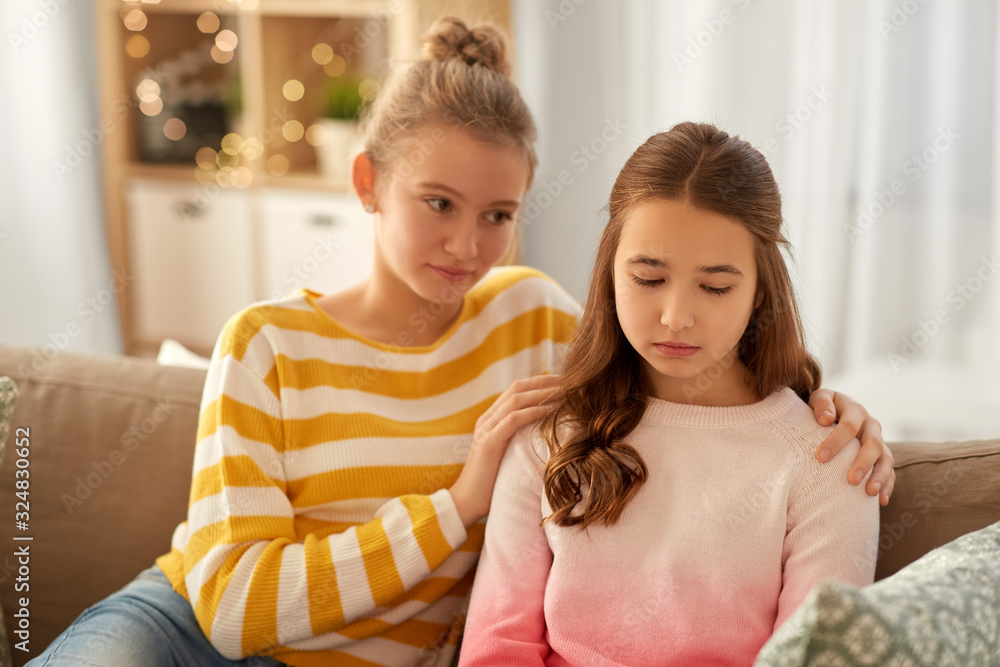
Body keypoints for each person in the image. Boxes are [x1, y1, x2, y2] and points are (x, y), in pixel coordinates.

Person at [28, 21, 893, 667]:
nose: (466, 246)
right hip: (186, 628)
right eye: (437, 202)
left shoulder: (532, 321)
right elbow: (229, 608)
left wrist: (833, 409)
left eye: (498, 216)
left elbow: (677, 360)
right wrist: (458, 504)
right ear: (368, 182)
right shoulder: (264, 344)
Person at [459, 122, 883, 666]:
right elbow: (496, 651)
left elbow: (815, 659)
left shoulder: (828, 462)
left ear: (760, 291)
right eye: (648, 278)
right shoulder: (547, 438)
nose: (676, 317)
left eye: (715, 287)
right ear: (610, 275)